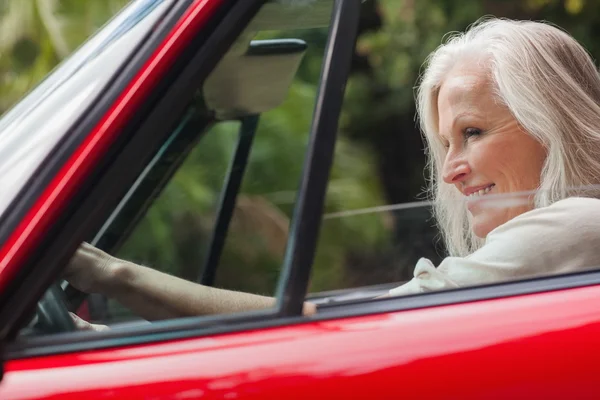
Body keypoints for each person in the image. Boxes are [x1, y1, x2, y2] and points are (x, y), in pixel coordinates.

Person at [64, 17, 600, 325]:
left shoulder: (578, 223)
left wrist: (113, 275)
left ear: (549, 121)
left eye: (474, 133)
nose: (452, 172)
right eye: (445, 145)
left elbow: (346, 327)